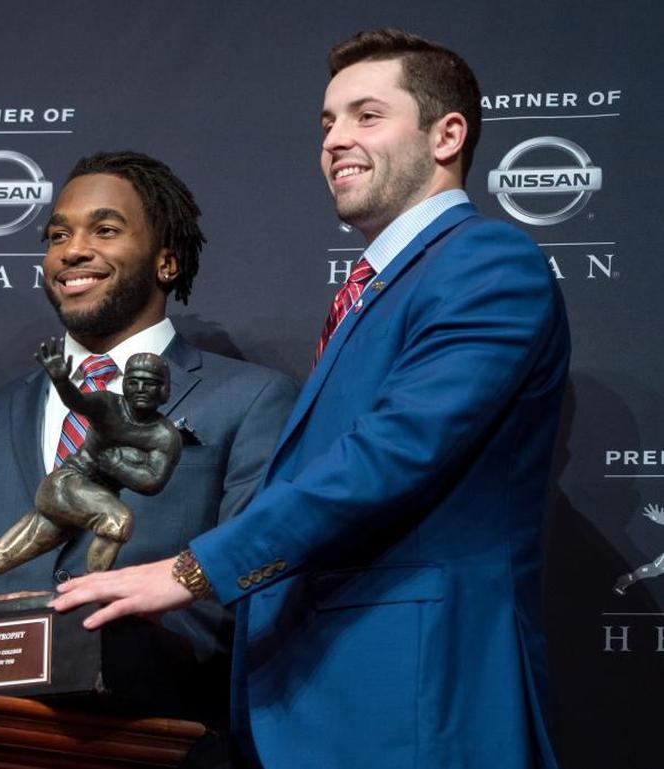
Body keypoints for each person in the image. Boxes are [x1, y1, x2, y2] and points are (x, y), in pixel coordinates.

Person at [52, 29, 570, 769]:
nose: (335, 140)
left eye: (366, 116)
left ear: (447, 134)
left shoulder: (487, 262)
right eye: (327, 122)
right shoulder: (372, 290)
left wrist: (188, 570)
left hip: (419, 696)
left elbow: (392, 454)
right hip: (322, 697)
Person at [0, 151, 296, 762]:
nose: (72, 251)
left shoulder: (252, 398)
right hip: (2, 742)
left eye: (105, 230)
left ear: (166, 259)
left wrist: (115, 640)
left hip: (168, 735)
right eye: (57, 234)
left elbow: (256, 579)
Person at [0, 341, 181, 587]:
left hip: (85, 503)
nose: (139, 389)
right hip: (64, 485)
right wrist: (62, 382)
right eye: (133, 381)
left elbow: (152, 482)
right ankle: (91, 591)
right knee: (118, 520)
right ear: (124, 384)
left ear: (165, 390)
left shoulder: (164, 435)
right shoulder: (109, 405)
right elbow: (79, 403)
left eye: (149, 384)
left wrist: (115, 464)